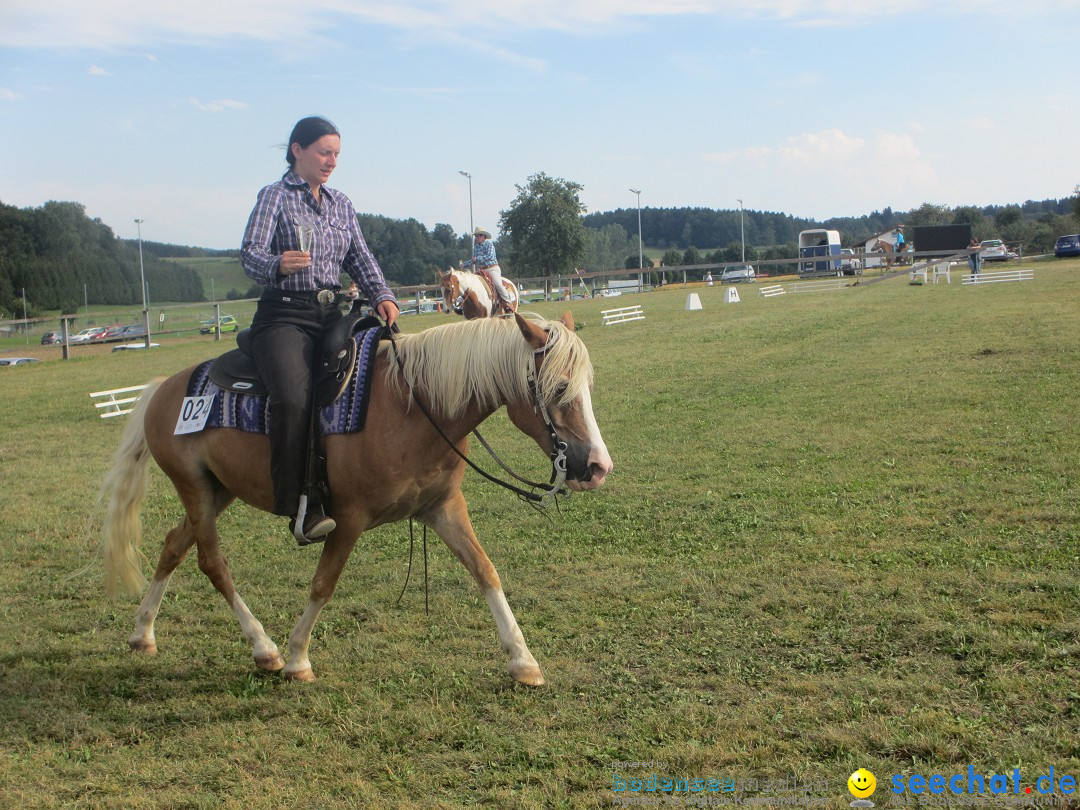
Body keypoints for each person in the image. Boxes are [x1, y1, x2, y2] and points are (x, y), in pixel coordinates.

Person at [241, 116, 400, 545]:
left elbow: (361, 258)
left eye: (337, 155)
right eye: (324, 152)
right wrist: (276, 264)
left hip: (332, 312)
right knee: (293, 397)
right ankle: (298, 502)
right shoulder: (274, 197)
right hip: (284, 316)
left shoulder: (341, 203)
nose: (332, 162)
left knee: (380, 366)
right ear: (297, 150)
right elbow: (249, 252)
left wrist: (382, 294)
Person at [463, 227, 514, 313]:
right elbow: (473, 260)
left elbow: (490, 257)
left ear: (484, 236)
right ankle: (464, 304)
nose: (477, 237)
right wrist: (464, 264)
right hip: (481, 271)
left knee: (497, 284)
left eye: (479, 235)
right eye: (476, 236)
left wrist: (477, 259)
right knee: (470, 283)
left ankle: (508, 303)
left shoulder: (489, 245)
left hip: (492, 269)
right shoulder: (476, 248)